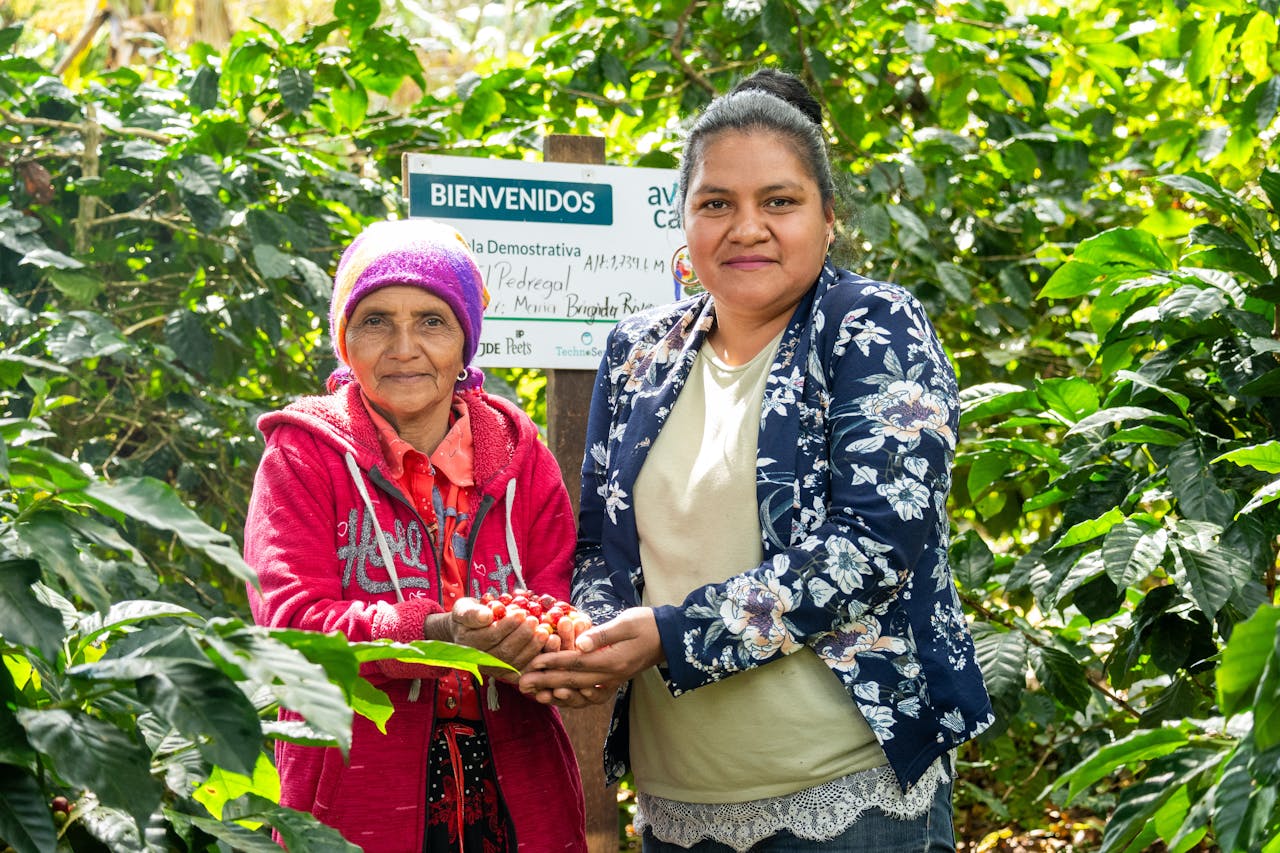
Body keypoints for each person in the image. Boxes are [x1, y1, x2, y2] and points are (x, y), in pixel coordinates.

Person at [519, 68, 995, 851]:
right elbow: (600, 545)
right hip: (677, 802)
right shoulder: (639, 350)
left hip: (849, 800)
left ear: (828, 217)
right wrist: (595, 644)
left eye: (779, 201)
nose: (747, 228)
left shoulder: (869, 326)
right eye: (716, 204)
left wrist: (674, 634)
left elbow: (874, 547)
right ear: (683, 222)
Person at [244, 218, 588, 853]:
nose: (403, 347)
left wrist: (547, 645)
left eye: (432, 321)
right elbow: (289, 630)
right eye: (375, 321)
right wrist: (435, 633)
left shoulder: (521, 458)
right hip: (353, 794)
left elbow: (558, 597)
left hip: (517, 790)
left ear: (466, 342)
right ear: (345, 343)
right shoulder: (303, 456)